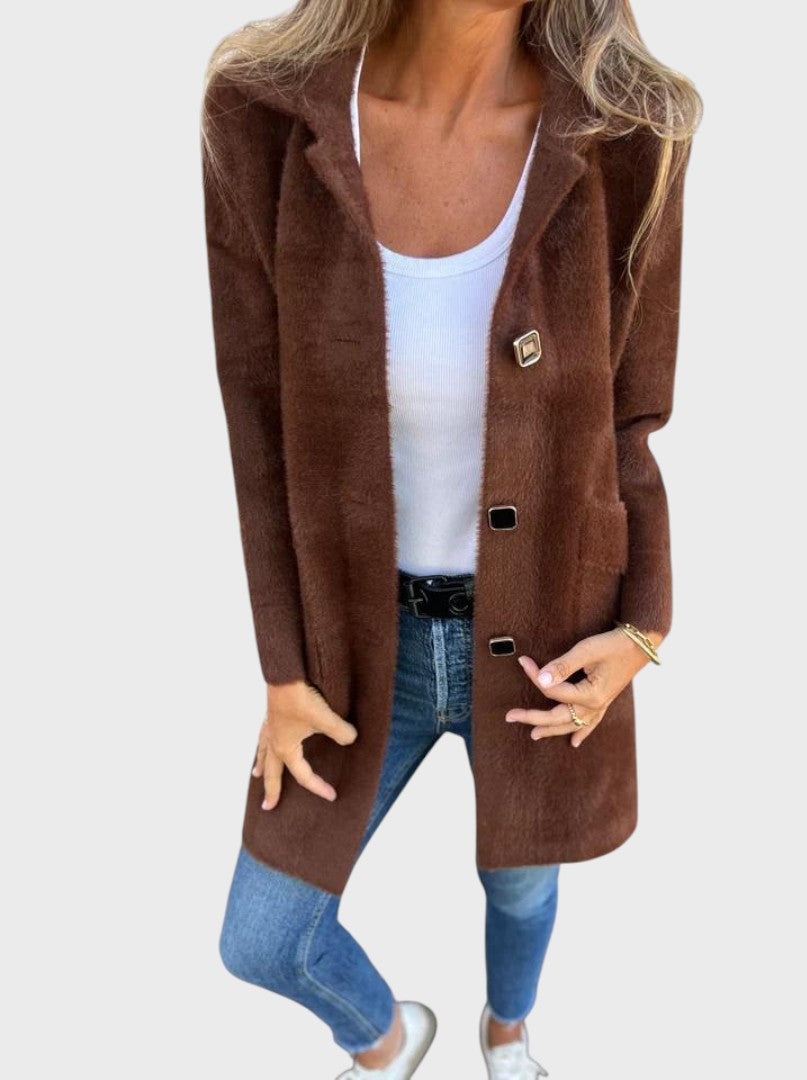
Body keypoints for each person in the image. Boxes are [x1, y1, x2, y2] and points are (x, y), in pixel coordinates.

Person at [200, 1, 700, 1076]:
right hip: (351, 645)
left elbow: (633, 418)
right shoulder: (265, 115)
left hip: (546, 638)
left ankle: (507, 1032)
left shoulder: (627, 132)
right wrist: (282, 669)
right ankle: (388, 1041)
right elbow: (257, 421)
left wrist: (644, 628)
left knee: (521, 883)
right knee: (264, 936)